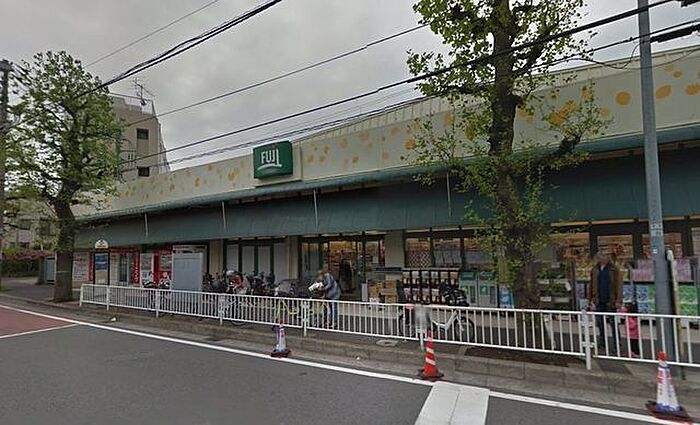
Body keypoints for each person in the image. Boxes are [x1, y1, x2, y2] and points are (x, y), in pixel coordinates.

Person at [589, 252, 622, 348]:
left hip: (610, 299)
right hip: (599, 299)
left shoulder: (614, 269)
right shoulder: (595, 269)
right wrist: (590, 299)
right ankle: (602, 341)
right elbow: (592, 284)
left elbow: (619, 285)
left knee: (613, 323)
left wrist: (618, 300)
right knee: (600, 323)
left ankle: (617, 343)